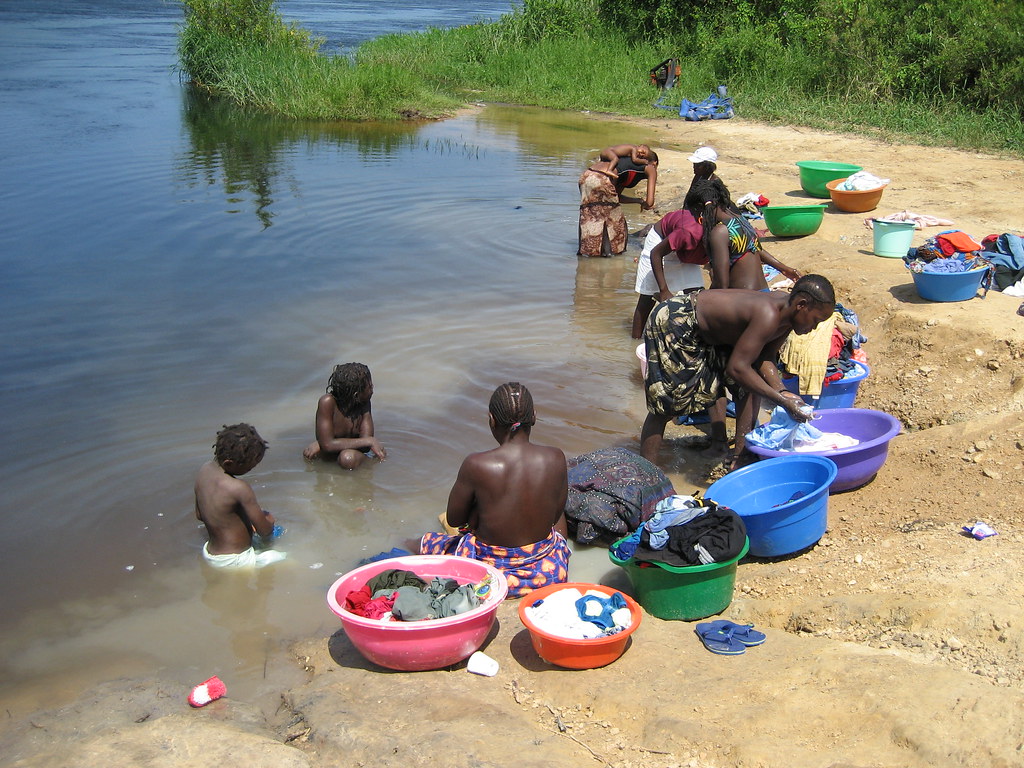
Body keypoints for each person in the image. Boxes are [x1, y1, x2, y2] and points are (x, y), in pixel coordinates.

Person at [640, 275, 837, 471]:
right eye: (816, 320)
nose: (814, 328)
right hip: (677, 320)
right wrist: (781, 401)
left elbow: (765, 358)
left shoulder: (788, 318)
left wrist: (784, 392)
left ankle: (739, 458)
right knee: (667, 404)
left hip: (712, 332)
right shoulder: (768, 315)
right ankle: (646, 474)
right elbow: (737, 368)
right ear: (802, 305)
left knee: (749, 385)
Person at [687, 178, 804, 456]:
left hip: (742, 309)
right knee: (749, 380)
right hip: (763, 300)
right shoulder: (741, 221)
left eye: (696, 214)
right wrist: (783, 268)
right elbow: (757, 250)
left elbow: (723, 286)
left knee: (718, 372)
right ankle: (744, 447)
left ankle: (718, 442)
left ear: (704, 207)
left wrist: (710, 310)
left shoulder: (718, 232)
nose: (696, 220)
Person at [420, 382, 571, 598]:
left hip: (493, 576)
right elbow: (555, 515)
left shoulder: (477, 464)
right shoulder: (555, 457)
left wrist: (476, 515)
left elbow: (454, 519)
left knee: (425, 543)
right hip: (548, 571)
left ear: (491, 419)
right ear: (534, 417)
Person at [194, 423, 285, 568]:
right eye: (249, 467)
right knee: (285, 558)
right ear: (229, 464)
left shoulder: (204, 470)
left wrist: (237, 523)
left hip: (211, 553)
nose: (251, 469)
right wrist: (268, 521)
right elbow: (265, 531)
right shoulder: (239, 488)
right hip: (235, 560)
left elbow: (200, 515)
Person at [631, 207, 707, 339]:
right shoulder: (688, 232)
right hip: (660, 242)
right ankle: (635, 341)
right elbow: (656, 253)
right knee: (647, 297)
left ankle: (693, 339)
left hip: (686, 249)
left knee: (697, 297)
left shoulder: (720, 237)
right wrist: (664, 290)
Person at [303, 362, 386, 469]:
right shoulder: (327, 402)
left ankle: (364, 469)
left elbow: (365, 448)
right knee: (310, 454)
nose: (372, 387)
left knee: (347, 458)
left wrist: (327, 444)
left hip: (354, 454)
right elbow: (328, 445)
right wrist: (323, 444)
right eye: (369, 386)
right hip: (332, 451)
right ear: (356, 395)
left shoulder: (364, 403)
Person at [577, 159, 628, 257]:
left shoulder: (615, 160)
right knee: (612, 216)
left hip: (586, 175)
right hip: (602, 178)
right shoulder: (647, 168)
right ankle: (609, 253)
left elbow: (616, 196)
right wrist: (643, 202)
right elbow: (617, 198)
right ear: (654, 163)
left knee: (586, 212)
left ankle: (583, 250)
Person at [600, 143, 659, 210]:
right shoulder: (650, 168)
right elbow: (649, 203)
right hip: (604, 181)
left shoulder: (627, 167)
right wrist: (646, 204)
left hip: (590, 175)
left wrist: (639, 201)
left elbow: (617, 197)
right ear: (654, 163)